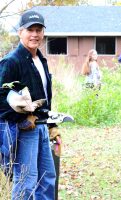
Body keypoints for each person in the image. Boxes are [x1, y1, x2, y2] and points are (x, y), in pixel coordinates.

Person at [0, 10, 58, 199]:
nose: (35, 34)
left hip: (41, 127)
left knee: (47, 177)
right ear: (20, 32)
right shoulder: (11, 62)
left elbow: (45, 97)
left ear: (43, 33)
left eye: (38, 30)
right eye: (30, 30)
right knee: (26, 181)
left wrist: (52, 126)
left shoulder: (41, 60)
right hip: (24, 130)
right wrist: (21, 117)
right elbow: (1, 99)